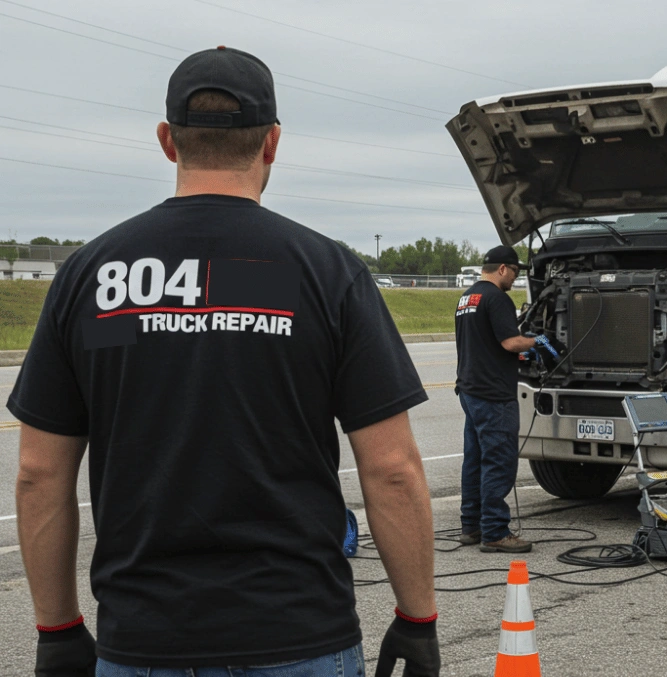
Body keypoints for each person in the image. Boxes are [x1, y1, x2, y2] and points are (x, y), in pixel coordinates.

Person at [10, 47, 440, 677]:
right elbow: (394, 470)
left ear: (166, 140)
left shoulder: (93, 277)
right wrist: (418, 618)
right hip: (298, 634)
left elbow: (39, 477)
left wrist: (57, 629)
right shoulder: (322, 272)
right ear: (271, 143)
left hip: (142, 640)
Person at [453, 246, 558, 554]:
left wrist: (520, 349)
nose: (516, 277)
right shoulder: (497, 298)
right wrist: (538, 341)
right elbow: (510, 341)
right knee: (498, 462)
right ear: (502, 268)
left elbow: (485, 341)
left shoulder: (467, 298)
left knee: (474, 461)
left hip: (470, 390)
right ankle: (496, 531)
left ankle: (471, 526)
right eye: (514, 271)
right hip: (493, 395)